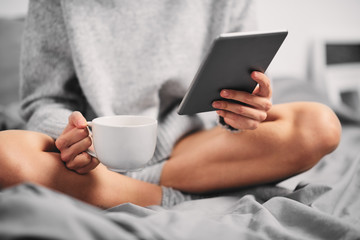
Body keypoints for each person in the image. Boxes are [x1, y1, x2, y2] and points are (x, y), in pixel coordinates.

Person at [0, 0, 341, 209]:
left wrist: (238, 112)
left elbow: (234, 83)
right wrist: (70, 135)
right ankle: (165, 195)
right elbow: (43, 99)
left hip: (190, 149)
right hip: (95, 152)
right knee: (6, 156)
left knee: (319, 125)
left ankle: (122, 191)